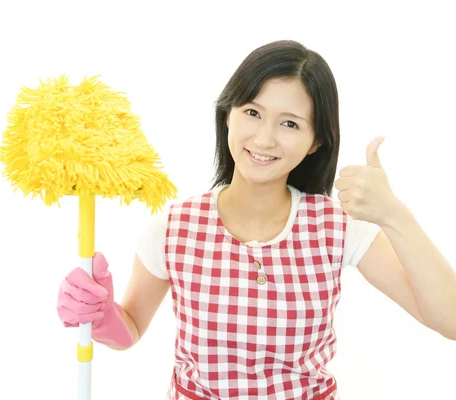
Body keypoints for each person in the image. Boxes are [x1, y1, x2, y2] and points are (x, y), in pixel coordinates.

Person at [57, 40, 383, 400]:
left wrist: (393, 213)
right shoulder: (174, 228)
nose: (264, 138)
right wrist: (100, 317)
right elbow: (130, 327)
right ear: (228, 113)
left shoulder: (336, 227)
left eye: (289, 123)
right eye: (252, 112)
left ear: (315, 141)